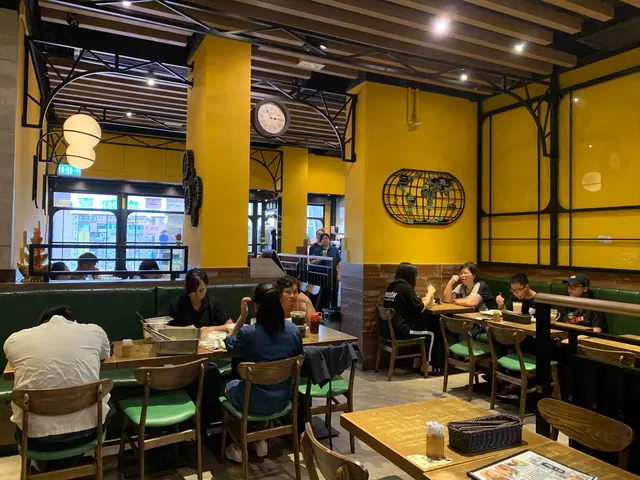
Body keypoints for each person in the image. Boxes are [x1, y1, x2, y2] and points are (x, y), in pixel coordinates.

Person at [3, 305, 111, 472]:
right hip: (89, 434)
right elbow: (104, 356)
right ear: (74, 322)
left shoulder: (14, 340)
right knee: (109, 402)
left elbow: (12, 363)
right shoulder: (95, 332)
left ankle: (48, 468)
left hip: (34, 440)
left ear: (40, 325)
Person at [223, 283, 303, 462]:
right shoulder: (293, 331)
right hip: (284, 400)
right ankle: (260, 439)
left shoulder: (249, 332)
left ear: (256, 307)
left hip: (253, 402)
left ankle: (239, 444)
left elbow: (229, 343)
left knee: (226, 385)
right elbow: (300, 359)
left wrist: (242, 317)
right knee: (260, 388)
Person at [383, 263, 436, 371]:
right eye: (415, 275)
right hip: (401, 331)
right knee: (430, 334)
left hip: (387, 330)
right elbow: (420, 308)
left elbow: (412, 305)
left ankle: (416, 362)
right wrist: (430, 293)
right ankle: (426, 366)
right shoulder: (405, 288)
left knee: (420, 325)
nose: (416, 278)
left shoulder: (391, 286)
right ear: (409, 275)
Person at [161, 268, 234, 333]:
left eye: (201, 290)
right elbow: (159, 326)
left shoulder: (212, 303)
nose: (198, 295)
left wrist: (211, 329)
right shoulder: (178, 303)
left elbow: (231, 326)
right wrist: (184, 330)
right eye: (193, 291)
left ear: (206, 287)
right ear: (187, 288)